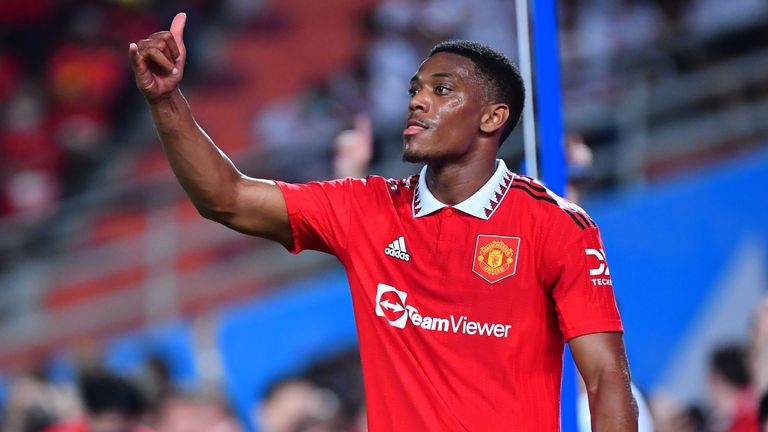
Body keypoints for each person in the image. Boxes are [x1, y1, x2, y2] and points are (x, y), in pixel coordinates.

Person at [128, 12, 638, 431]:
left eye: (443, 90)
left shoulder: (558, 226)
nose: (417, 100)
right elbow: (227, 197)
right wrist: (166, 100)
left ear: (491, 118)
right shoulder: (366, 209)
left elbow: (605, 380)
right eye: (416, 88)